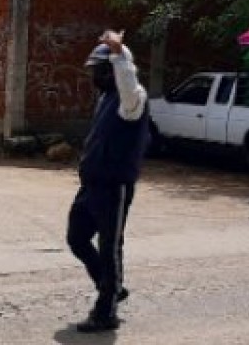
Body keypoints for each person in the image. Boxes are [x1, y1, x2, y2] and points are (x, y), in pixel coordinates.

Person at [66, 29, 150, 333]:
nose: (94, 76)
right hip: (90, 185)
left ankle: (105, 313)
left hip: (114, 186)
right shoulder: (106, 98)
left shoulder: (133, 98)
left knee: (110, 247)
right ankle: (112, 286)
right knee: (76, 238)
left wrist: (118, 53)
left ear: (112, 68)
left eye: (99, 70)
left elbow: (128, 81)